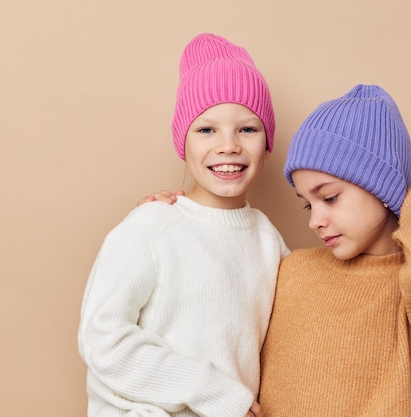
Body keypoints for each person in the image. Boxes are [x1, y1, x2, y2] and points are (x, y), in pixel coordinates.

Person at [141, 85, 411, 417]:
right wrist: (186, 215)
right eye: (308, 204)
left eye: (329, 197)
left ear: (382, 189)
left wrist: (398, 188)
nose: (315, 220)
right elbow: (220, 308)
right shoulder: (295, 270)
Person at [78, 33, 289, 417]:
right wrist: (214, 392)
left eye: (248, 128)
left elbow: (293, 339)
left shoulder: (268, 240)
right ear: (183, 142)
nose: (229, 145)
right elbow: (102, 339)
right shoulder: (153, 225)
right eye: (206, 129)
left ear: (268, 143)